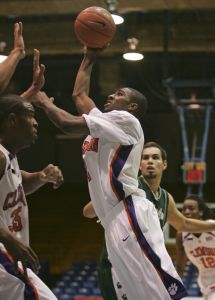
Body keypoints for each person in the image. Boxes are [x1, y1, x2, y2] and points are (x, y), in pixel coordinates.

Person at [32, 47, 187, 299]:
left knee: (160, 290)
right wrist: (89, 56)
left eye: (119, 94)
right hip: (111, 220)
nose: (111, 96)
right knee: (138, 295)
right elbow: (79, 95)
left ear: (132, 106)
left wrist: (43, 101)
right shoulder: (106, 125)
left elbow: (66, 123)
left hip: (129, 210)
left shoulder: (126, 120)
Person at [84, 141, 215, 299]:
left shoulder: (166, 198)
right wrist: (110, 196)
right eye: (145, 158)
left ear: (164, 164)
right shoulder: (128, 186)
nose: (150, 161)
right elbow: (88, 212)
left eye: (155, 157)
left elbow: (184, 224)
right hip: (119, 266)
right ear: (139, 165)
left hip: (146, 267)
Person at [0, 93, 64, 300]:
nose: (36, 123)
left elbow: (18, 184)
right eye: (30, 115)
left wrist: (41, 177)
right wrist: (8, 238)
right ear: (12, 120)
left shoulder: (9, 158)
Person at [176, 195, 215, 300]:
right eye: (183, 209)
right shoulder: (182, 235)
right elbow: (180, 266)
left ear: (201, 212)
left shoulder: (212, 227)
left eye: (191, 208)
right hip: (204, 282)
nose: (186, 211)